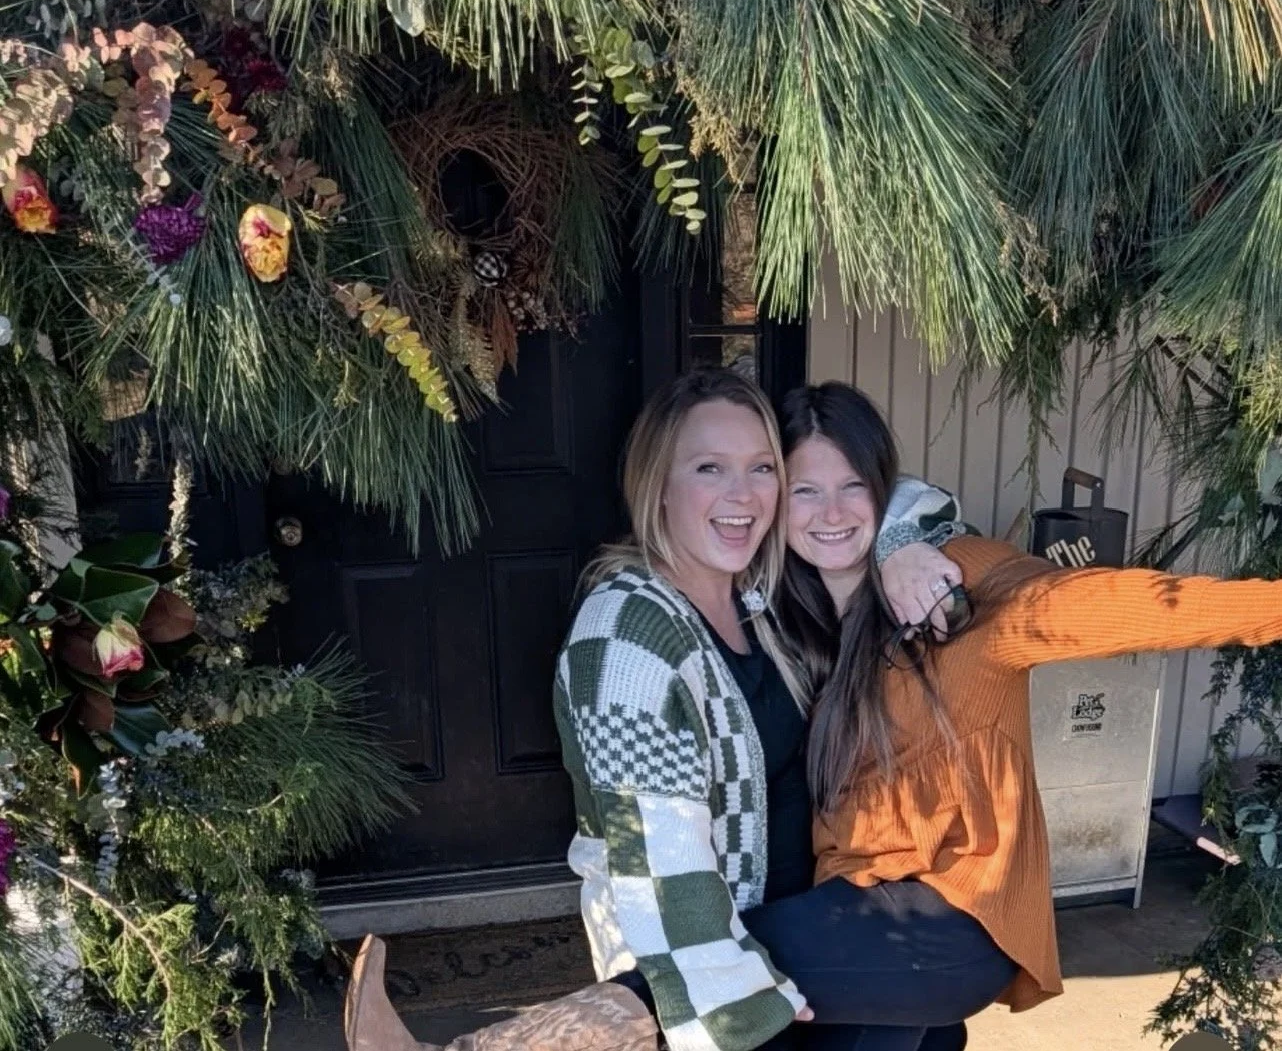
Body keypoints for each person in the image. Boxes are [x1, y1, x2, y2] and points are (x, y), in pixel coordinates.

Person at [343, 368, 967, 1051]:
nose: (742, 495)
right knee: (933, 985)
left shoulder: (762, 596)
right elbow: (658, 854)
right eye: (709, 468)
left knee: (942, 1012)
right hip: (713, 956)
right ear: (658, 485)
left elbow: (889, 493)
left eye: (762, 468)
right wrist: (731, 998)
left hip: (812, 924)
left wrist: (901, 547)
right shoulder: (628, 635)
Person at [732, 380, 1282, 1051]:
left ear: (882, 489)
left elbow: (1098, 603)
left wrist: (1273, 607)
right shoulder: (790, 619)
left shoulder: (959, 581)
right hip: (858, 914)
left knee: (702, 966)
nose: (831, 513)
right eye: (806, 491)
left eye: (854, 486)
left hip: (951, 911)